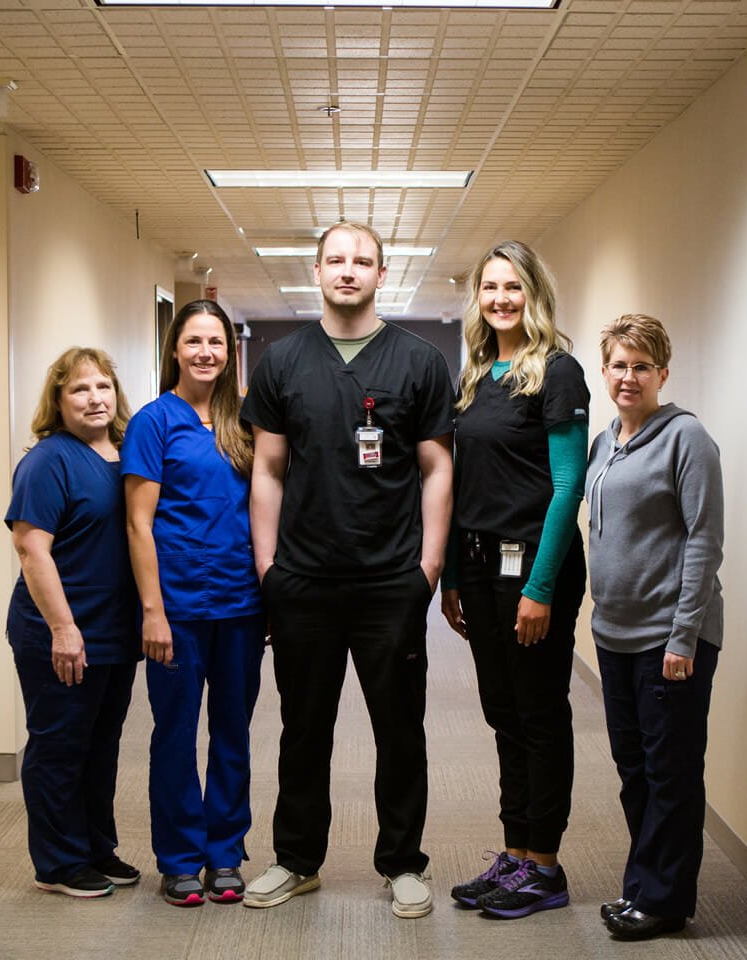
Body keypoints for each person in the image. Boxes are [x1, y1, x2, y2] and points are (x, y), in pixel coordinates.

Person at [240, 221, 454, 919]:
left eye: (363, 260)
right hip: (303, 579)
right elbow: (268, 468)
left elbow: (436, 468)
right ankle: (297, 860)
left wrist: (427, 566)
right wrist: (267, 565)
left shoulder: (418, 362)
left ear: (381, 273)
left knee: (400, 727)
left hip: (390, 579)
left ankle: (403, 863)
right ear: (317, 269)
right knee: (303, 728)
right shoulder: (283, 362)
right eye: (336, 259)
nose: (348, 270)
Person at [440, 241, 588, 919]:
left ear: (534, 294)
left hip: (531, 563)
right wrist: (448, 575)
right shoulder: (475, 374)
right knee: (503, 712)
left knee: (538, 713)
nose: (500, 299)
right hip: (476, 565)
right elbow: (461, 479)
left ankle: (547, 867)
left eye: (513, 287)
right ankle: (516, 853)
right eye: (489, 288)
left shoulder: (557, 371)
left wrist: (542, 587)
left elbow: (566, 488)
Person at [122, 299, 265, 908]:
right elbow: (137, 522)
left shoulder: (249, 422)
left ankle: (225, 853)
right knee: (176, 734)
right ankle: (180, 859)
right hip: (176, 610)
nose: (205, 353)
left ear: (231, 352)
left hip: (241, 605)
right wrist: (152, 610)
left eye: (216, 343)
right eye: (193, 342)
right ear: (174, 350)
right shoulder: (155, 422)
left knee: (233, 732)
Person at [586, 314, 724, 941]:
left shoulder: (686, 439)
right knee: (634, 768)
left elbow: (703, 540)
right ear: (605, 369)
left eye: (642, 366)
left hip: (670, 638)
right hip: (614, 633)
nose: (629, 377)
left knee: (670, 770)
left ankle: (664, 900)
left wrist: (684, 635)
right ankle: (645, 883)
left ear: (663, 373)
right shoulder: (604, 442)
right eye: (619, 364)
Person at [5, 347, 140, 899]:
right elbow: (31, 549)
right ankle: (58, 863)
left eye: (102, 387)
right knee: (59, 745)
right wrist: (63, 628)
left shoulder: (128, 452)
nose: (94, 398)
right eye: (79, 389)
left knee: (101, 745)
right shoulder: (48, 461)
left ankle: (95, 848)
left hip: (113, 631)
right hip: (59, 631)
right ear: (58, 401)